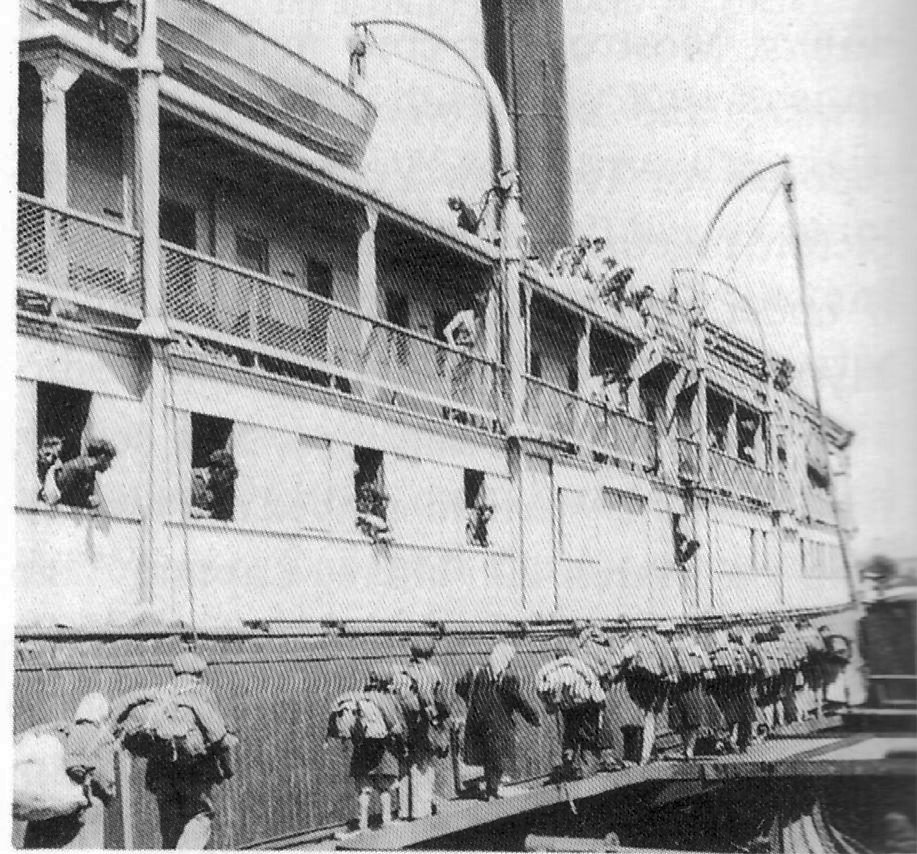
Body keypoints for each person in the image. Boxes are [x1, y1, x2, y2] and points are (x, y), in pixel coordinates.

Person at [141, 652, 237, 849]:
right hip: (193, 771)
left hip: (161, 774)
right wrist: (226, 767)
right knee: (200, 816)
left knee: (171, 825)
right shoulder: (200, 692)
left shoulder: (163, 694)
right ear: (197, 673)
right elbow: (217, 733)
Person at [23, 692, 116, 850]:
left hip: (46, 815)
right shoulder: (103, 738)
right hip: (77, 821)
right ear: (102, 713)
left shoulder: (61, 732)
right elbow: (106, 782)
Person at [455, 642, 540, 800]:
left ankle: (491, 788)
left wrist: (471, 702)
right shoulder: (505, 680)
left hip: (477, 722)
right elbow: (518, 701)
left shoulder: (476, 672)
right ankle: (493, 789)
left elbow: (459, 687)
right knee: (498, 755)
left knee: (488, 755)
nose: (510, 665)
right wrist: (532, 717)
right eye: (509, 661)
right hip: (497, 724)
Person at [398, 638, 452, 821]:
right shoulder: (430, 670)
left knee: (407, 765)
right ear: (430, 652)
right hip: (423, 723)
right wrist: (437, 722)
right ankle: (421, 810)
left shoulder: (403, 670)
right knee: (424, 766)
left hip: (406, 723)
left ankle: (405, 810)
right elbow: (429, 697)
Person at [350, 673, 407, 830]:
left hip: (362, 749)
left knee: (364, 789)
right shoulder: (384, 699)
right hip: (382, 749)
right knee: (384, 787)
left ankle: (362, 823)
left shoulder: (359, 697)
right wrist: (402, 744)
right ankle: (386, 820)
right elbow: (396, 728)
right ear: (384, 684)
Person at [443, 292, 488, 426]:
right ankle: (448, 411)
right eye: (480, 305)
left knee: (464, 385)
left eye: (483, 306)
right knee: (452, 382)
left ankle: (459, 414)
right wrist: (454, 346)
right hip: (458, 351)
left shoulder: (480, 322)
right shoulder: (463, 315)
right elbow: (447, 330)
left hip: (468, 355)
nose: (482, 308)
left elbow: (475, 340)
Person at [53, 438, 116, 510]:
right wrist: (88, 502)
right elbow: (67, 498)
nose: (109, 465)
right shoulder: (79, 468)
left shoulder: (89, 470)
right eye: (108, 461)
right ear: (102, 457)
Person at [191, 449, 238, 521]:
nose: (217, 470)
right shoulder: (198, 479)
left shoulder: (226, 487)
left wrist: (206, 514)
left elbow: (225, 513)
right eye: (214, 466)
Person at [36, 434, 63, 504]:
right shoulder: (37, 468)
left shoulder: (55, 469)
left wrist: (52, 470)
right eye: (47, 454)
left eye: (55, 456)